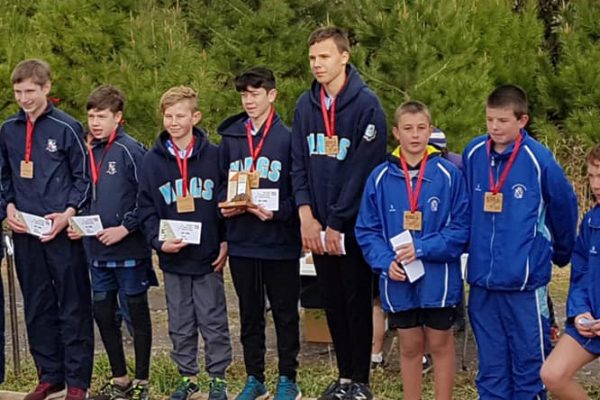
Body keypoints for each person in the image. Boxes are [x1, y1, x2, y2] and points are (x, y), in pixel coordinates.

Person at [462, 84, 578, 399]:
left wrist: (559, 253)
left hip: (524, 285)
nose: (495, 128)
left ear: (522, 120)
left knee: (529, 367)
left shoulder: (539, 159)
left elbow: (565, 207)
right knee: (491, 367)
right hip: (483, 282)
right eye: (489, 120)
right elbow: (463, 210)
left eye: (502, 121)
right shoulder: (474, 153)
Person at [291, 26, 387, 400]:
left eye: (325, 56)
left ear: (344, 57)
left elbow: (362, 171)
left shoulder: (367, 105)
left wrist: (335, 222)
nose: (317, 64)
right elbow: (298, 162)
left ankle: (361, 380)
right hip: (316, 224)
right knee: (329, 297)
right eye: (313, 58)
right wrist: (305, 215)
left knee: (355, 299)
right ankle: (344, 376)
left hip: (353, 224)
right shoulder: (305, 104)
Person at [356, 100, 469, 400]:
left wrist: (422, 247)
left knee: (440, 344)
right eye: (408, 128)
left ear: (431, 130)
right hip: (398, 278)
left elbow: (460, 229)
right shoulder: (380, 177)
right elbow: (367, 230)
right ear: (396, 133)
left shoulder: (449, 174)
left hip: (438, 278)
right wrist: (384, 262)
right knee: (409, 346)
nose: (415, 135)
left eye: (421, 128)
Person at [0, 59, 93, 400]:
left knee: (72, 304)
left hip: (59, 232)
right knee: (37, 305)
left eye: (30, 91)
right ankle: (49, 373)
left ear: (46, 88)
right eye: (18, 92)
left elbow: (84, 179)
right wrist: (7, 207)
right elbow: (3, 176)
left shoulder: (67, 128)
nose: (24, 98)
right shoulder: (7, 129)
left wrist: (68, 214)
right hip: (25, 232)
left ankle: (78, 380)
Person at [137, 86, 231, 400]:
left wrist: (225, 242)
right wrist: (158, 242)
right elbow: (146, 208)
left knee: (213, 318)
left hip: (206, 256)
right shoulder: (152, 161)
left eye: (180, 115)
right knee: (179, 320)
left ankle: (217, 376)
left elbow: (225, 203)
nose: (174, 122)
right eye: (168, 116)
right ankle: (187, 375)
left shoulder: (214, 155)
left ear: (196, 116)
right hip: (173, 257)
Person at [217, 67, 302, 400]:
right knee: (250, 314)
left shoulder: (289, 138)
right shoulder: (232, 138)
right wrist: (226, 205)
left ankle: (287, 378)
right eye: (244, 94)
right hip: (242, 240)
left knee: (284, 314)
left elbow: (299, 192)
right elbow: (221, 184)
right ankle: (255, 378)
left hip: (279, 242)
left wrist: (278, 212)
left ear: (272, 95)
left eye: (255, 93)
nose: (249, 100)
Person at [67, 85, 156, 400]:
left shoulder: (131, 150)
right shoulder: (86, 150)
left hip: (129, 249)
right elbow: (83, 196)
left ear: (118, 117)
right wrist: (78, 225)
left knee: (135, 313)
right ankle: (120, 379)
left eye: (102, 116)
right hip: (97, 252)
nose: (95, 122)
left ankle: (143, 381)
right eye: (91, 116)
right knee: (103, 313)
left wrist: (125, 228)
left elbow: (147, 198)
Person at [540, 145, 600, 399]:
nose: (595, 184)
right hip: (591, 322)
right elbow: (580, 274)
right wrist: (578, 312)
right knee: (552, 374)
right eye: (591, 176)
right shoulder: (591, 220)